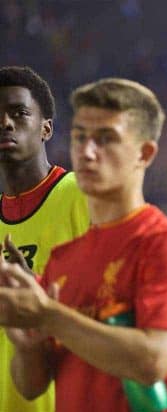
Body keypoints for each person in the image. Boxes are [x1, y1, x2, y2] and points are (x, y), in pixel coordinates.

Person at [0, 78, 167, 412]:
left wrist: (49, 316)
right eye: (80, 136)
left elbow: (152, 361)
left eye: (105, 139)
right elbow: (32, 384)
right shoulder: (63, 259)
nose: (87, 151)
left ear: (145, 152)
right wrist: (27, 346)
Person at [0, 66, 89, 412]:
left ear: (46, 128)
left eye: (19, 113)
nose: (5, 123)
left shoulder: (82, 195)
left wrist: (39, 292)